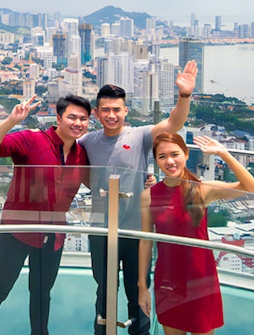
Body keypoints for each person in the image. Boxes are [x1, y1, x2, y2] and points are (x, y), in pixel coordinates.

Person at [78, 60, 198, 335]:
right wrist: (96, 186)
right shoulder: (88, 141)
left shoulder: (141, 135)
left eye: (117, 110)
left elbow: (173, 123)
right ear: (96, 113)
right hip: (100, 230)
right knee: (105, 292)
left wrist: (184, 95)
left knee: (139, 291)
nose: (111, 115)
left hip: (136, 230)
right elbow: (73, 169)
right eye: (106, 110)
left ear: (125, 111)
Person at [0, 94, 92, 335]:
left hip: (54, 236)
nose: (77, 123)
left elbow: (96, 182)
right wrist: (11, 120)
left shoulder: (82, 155)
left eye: (83, 118)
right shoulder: (31, 140)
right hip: (18, 231)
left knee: (41, 294)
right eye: (72, 117)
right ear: (58, 118)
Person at [138, 133, 254, 335]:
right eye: (162, 156)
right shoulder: (148, 196)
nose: (170, 161)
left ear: (185, 154)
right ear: (156, 161)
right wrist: (142, 286)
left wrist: (223, 152)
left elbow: (250, 186)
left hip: (200, 278)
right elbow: (145, 242)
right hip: (167, 277)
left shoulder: (201, 189)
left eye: (175, 154)